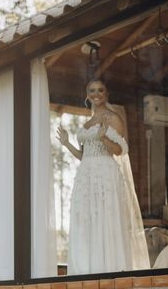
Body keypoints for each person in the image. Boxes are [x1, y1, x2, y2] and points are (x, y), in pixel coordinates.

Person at [57, 79, 149, 274]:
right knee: (87, 223)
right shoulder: (87, 122)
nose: (96, 93)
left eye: (100, 90)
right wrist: (66, 144)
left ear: (107, 94)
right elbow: (84, 156)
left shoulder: (113, 118)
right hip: (86, 176)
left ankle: (109, 273)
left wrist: (103, 138)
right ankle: (88, 273)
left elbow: (119, 150)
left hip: (105, 173)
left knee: (106, 222)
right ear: (87, 94)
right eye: (92, 90)